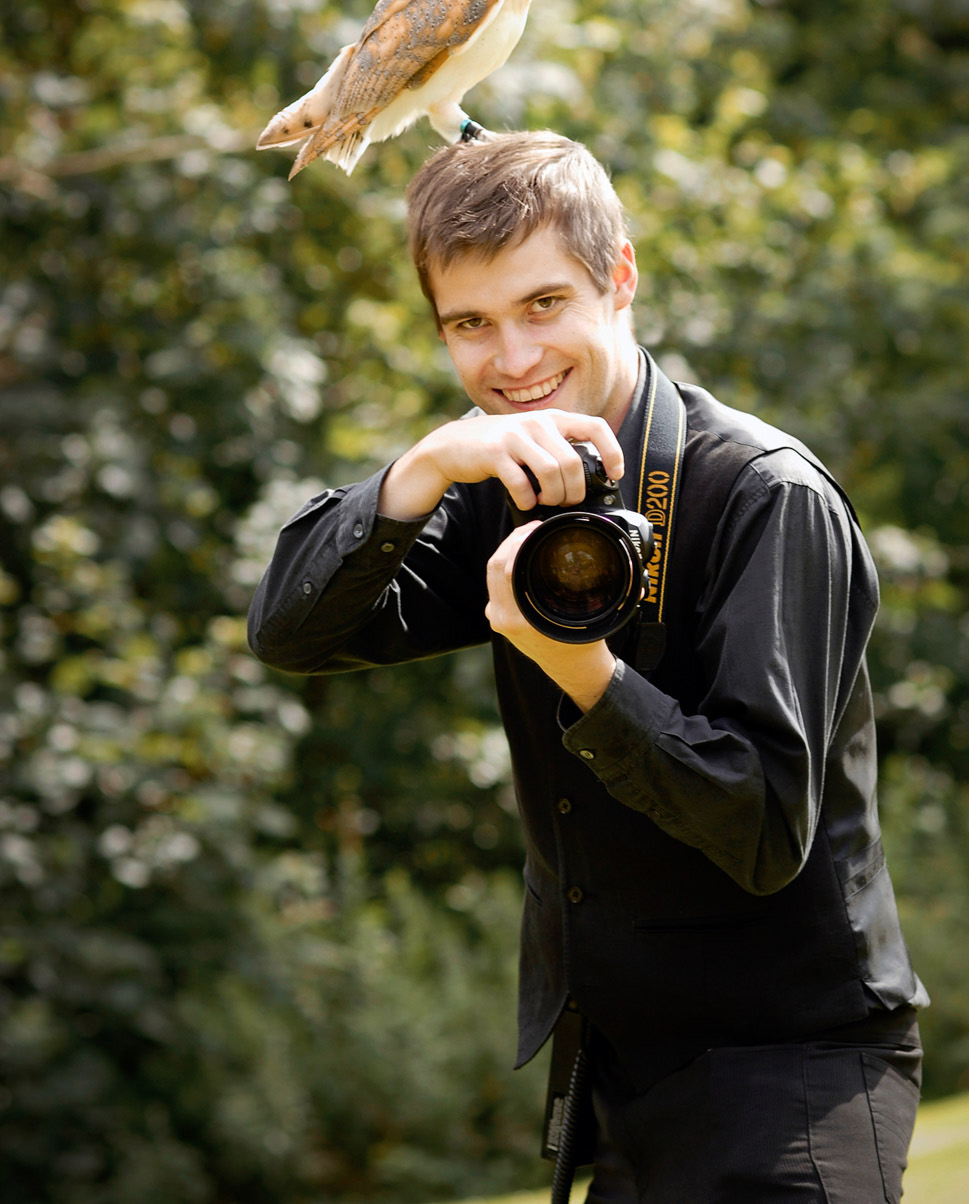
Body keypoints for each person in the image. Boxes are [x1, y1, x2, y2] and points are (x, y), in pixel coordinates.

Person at [248, 131, 928, 1203]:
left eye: (543, 305)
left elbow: (761, 829)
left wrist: (580, 670)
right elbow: (292, 633)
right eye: (469, 324)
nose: (511, 361)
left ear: (619, 279)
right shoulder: (493, 479)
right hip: (619, 1075)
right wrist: (423, 467)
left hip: (792, 1066)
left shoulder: (763, 494)